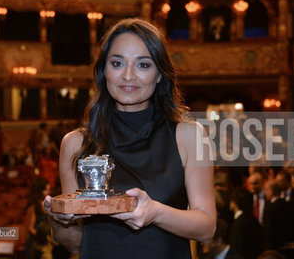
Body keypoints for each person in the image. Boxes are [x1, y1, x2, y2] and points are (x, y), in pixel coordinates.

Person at [43, 18, 216, 258]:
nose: (128, 75)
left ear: (159, 75)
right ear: (104, 71)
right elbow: (75, 244)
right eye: (117, 63)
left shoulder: (188, 135)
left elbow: (207, 228)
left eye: (143, 65)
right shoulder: (74, 143)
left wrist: (155, 212)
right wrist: (59, 220)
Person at [25, 178, 52, 259]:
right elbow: (30, 228)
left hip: (47, 242)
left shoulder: (48, 203)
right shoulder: (33, 207)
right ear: (40, 191)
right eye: (47, 190)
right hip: (36, 242)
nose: (49, 192)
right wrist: (42, 237)